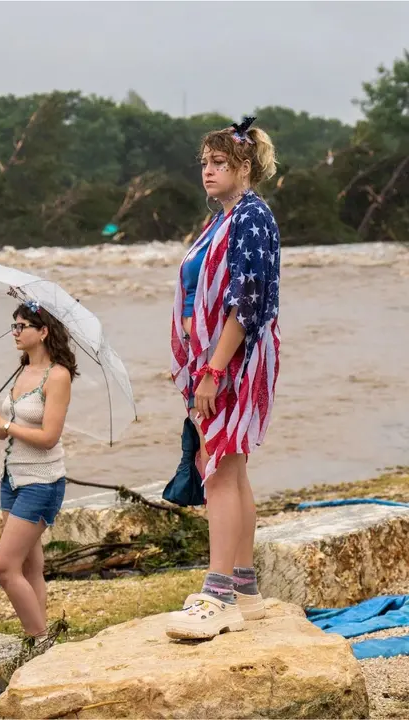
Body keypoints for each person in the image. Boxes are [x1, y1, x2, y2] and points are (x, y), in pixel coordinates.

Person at [165, 117, 281, 641]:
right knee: (230, 466)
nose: (208, 172)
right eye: (205, 164)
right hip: (217, 356)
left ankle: (218, 595)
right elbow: (204, 289)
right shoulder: (225, 218)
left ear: (245, 167)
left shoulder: (251, 218)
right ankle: (245, 587)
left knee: (219, 469)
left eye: (219, 164)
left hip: (235, 359)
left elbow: (247, 300)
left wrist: (212, 369)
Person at [0, 299, 77, 650]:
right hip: (11, 480)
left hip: (41, 483)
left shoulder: (57, 376)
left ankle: (39, 640)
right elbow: (9, 431)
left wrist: (4, 423)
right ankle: (40, 643)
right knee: (29, 567)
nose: (14, 332)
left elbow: (48, 438)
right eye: (13, 326)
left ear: (42, 332)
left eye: (21, 326)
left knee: (3, 565)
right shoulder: (19, 371)